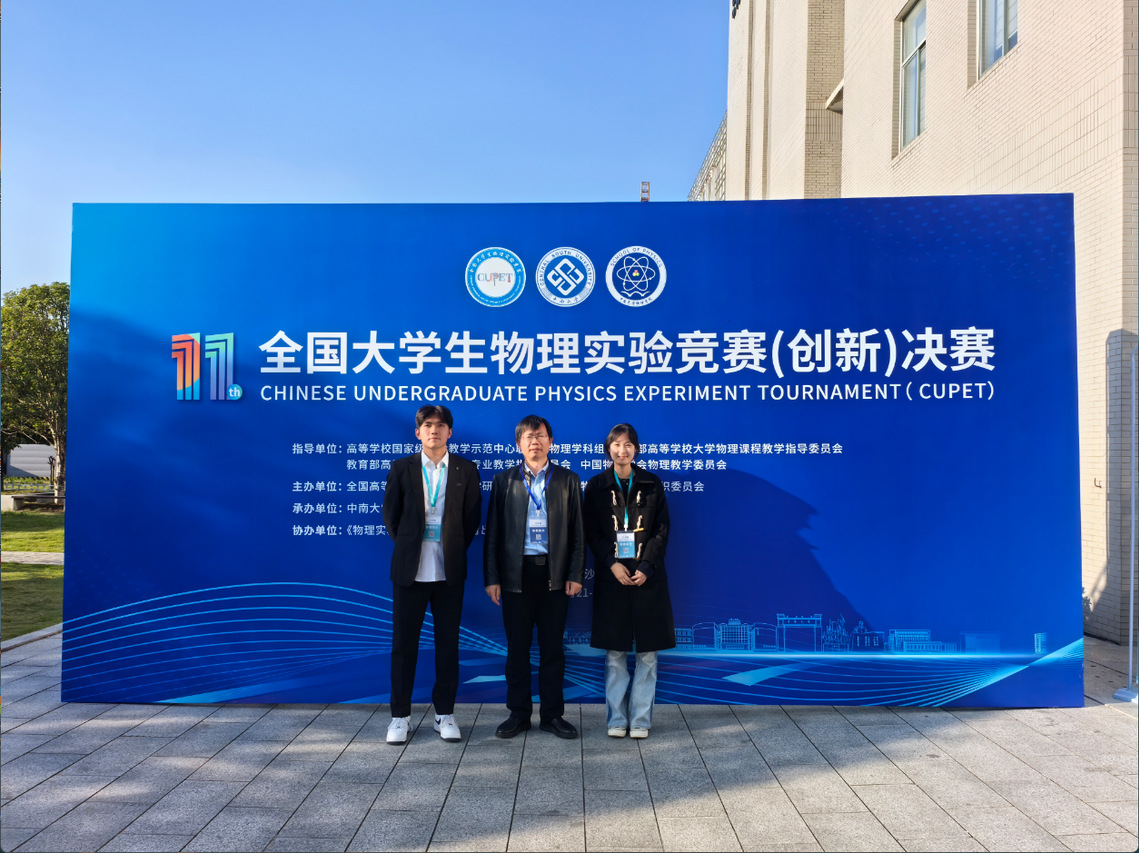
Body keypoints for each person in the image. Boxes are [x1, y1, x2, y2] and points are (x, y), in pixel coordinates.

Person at [382, 405, 482, 744]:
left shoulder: (466, 469)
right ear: (418, 432)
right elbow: (391, 516)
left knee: (447, 646)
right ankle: (400, 717)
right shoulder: (402, 468)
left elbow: (471, 520)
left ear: (450, 432)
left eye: (440, 425)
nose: (434, 430)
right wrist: (410, 545)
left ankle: (445, 714)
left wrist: (450, 547)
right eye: (427, 425)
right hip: (409, 573)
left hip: (448, 572)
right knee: (403, 647)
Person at [484, 414, 585, 739]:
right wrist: (492, 577)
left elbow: (578, 533)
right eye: (528, 437)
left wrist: (575, 573)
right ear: (518, 444)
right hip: (516, 575)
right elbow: (493, 533)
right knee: (517, 649)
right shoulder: (504, 480)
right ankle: (519, 714)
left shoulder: (568, 480)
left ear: (550, 442)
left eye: (540, 436)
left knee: (552, 649)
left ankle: (553, 715)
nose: (535, 442)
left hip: (555, 574)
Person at [583, 423, 675, 739]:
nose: (622, 451)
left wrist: (647, 566)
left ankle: (640, 720)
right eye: (616, 445)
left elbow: (661, 529)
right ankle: (616, 719)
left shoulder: (651, 483)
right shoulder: (596, 486)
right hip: (613, 578)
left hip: (647, 577)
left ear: (636, 449)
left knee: (648, 654)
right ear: (608, 449)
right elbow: (591, 532)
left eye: (628, 445)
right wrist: (611, 564)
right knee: (615, 654)